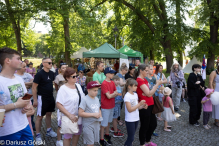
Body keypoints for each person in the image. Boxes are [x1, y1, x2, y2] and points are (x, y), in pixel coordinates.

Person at [0, 47, 33, 145]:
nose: (21, 61)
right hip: (7, 131)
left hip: (25, 125)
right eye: (18, 59)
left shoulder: (19, 79)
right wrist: (16, 105)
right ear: (8, 60)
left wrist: (28, 106)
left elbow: (25, 98)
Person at [56, 67, 85, 146]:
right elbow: (58, 104)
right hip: (68, 116)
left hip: (78, 116)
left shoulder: (78, 86)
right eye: (73, 76)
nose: (76, 78)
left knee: (77, 134)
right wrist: (70, 115)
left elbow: (83, 99)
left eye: (76, 76)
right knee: (67, 137)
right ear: (67, 78)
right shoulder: (63, 89)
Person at [135, 64, 162, 146]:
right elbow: (150, 93)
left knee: (153, 124)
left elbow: (149, 91)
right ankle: (142, 143)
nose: (148, 72)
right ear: (141, 71)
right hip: (144, 105)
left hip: (150, 104)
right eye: (146, 70)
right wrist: (157, 84)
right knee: (145, 125)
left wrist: (148, 92)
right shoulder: (139, 80)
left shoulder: (144, 80)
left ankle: (147, 140)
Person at [32, 58, 57, 144]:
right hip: (41, 98)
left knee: (49, 114)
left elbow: (55, 83)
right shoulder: (39, 74)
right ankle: (38, 135)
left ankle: (49, 130)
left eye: (51, 63)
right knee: (39, 116)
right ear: (44, 63)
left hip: (50, 97)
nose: (51, 64)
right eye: (49, 63)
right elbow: (34, 87)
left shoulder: (52, 73)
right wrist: (35, 100)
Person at [123, 79, 147, 146]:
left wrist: (142, 106)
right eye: (135, 86)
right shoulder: (127, 96)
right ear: (129, 86)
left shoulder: (135, 95)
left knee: (132, 137)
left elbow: (136, 108)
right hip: (130, 119)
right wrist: (139, 104)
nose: (136, 87)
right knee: (131, 138)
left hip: (136, 118)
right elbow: (130, 109)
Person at [78, 81, 102, 146]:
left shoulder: (96, 98)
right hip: (88, 125)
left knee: (93, 142)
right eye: (94, 90)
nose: (96, 92)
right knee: (90, 143)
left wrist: (100, 116)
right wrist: (93, 114)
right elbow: (80, 113)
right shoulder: (85, 99)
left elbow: (98, 109)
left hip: (96, 124)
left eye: (97, 90)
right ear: (88, 90)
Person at [15, 62, 35, 134]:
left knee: (30, 115)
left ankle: (31, 126)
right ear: (19, 68)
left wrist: (23, 84)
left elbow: (33, 82)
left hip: (29, 98)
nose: (25, 68)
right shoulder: (14, 76)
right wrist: (27, 84)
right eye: (24, 67)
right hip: (20, 101)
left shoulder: (28, 75)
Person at [100, 67, 118, 146]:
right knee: (103, 124)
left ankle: (107, 135)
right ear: (107, 74)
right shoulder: (104, 83)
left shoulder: (112, 82)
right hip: (105, 106)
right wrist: (113, 94)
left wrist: (112, 94)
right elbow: (109, 96)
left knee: (108, 122)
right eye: (111, 73)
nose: (113, 74)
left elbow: (115, 93)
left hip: (111, 105)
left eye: (113, 73)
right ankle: (101, 139)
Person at [54, 62, 67, 146]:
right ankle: (59, 140)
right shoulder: (58, 77)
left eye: (66, 67)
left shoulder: (69, 76)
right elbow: (56, 87)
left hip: (68, 101)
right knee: (60, 122)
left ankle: (66, 136)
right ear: (60, 69)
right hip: (62, 100)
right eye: (63, 67)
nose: (65, 69)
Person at [145, 65, 159, 136]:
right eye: (150, 69)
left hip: (153, 98)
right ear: (147, 70)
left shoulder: (153, 78)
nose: (152, 71)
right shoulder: (145, 79)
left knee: (153, 114)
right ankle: (147, 130)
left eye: (152, 69)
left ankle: (152, 130)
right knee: (147, 116)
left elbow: (157, 85)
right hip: (147, 99)